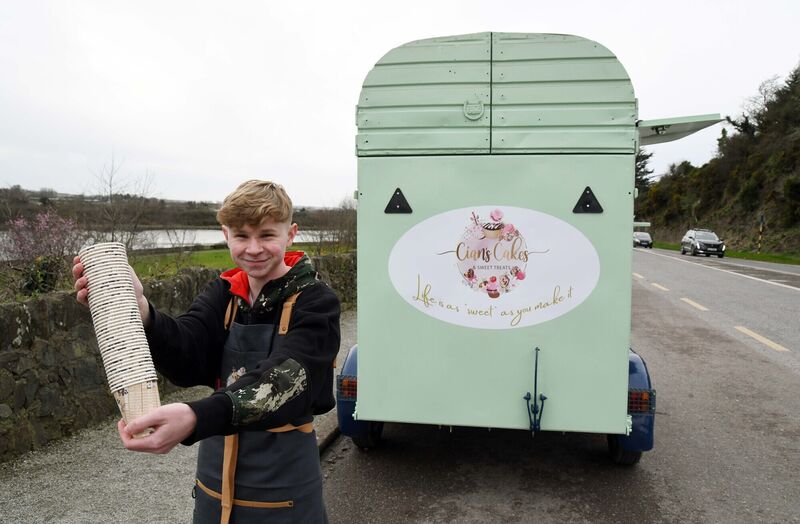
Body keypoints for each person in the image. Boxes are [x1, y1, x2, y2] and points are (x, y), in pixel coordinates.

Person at [73, 180, 341, 523]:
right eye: (242, 236)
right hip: (214, 490)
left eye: (267, 235)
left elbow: (284, 383)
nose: (254, 248)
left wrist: (194, 418)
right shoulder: (224, 293)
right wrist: (142, 310)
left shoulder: (316, 302)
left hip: (284, 494)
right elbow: (188, 354)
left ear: (291, 234)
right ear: (225, 234)